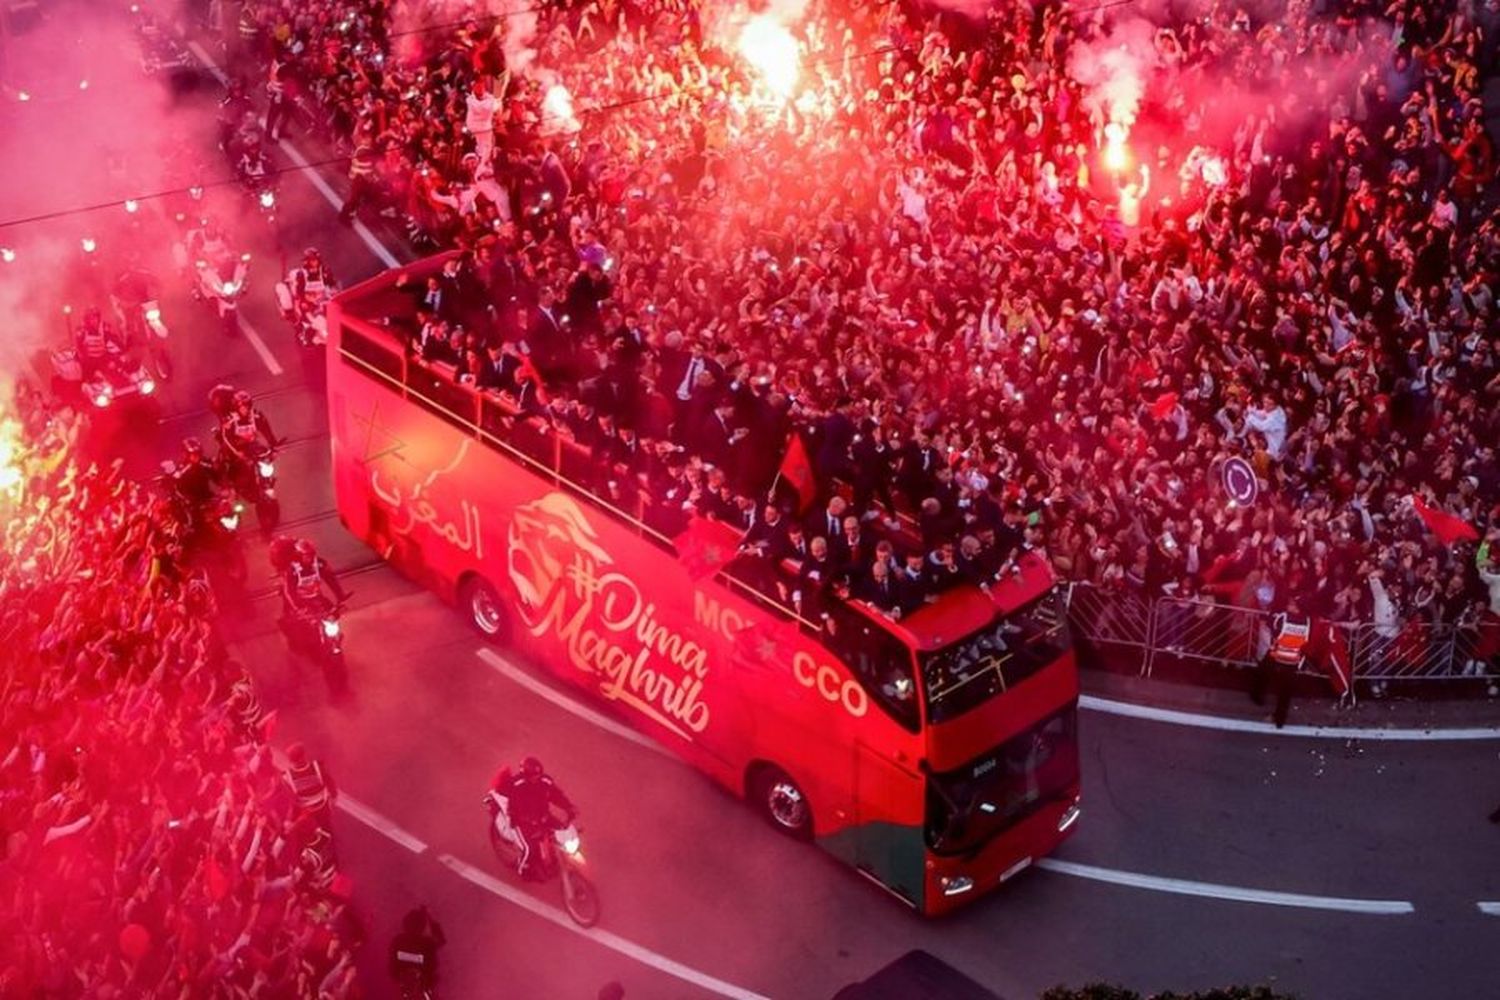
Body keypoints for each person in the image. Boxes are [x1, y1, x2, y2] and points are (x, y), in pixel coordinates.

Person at [492, 757, 576, 879]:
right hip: (522, 823)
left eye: (539, 775)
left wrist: (569, 807)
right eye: (534, 777)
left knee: (563, 832)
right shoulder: (517, 786)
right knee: (529, 849)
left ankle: (554, 858)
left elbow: (556, 795)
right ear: (525, 775)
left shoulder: (545, 781)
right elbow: (516, 807)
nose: (537, 779)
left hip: (543, 816)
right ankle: (523, 870)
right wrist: (530, 820)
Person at [1252, 598, 1310, 729]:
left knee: (1262, 673)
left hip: (1277, 655)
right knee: (1285, 692)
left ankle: (1258, 697)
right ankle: (1280, 720)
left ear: (1297, 608)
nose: (1288, 605)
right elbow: (1306, 639)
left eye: (1291, 604)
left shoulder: (1284, 617)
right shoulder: (1307, 621)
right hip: (1293, 659)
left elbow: (1273, 627)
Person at [276, 538, 348, 619]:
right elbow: (290, 591)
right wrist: (298, 607)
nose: (309, 558)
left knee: (333, 615)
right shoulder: (293, 570)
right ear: (299, 556)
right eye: (306, 555)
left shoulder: (320, 564)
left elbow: (331, 580)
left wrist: (340, 595)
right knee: (298, 623)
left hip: (316, 596)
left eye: (311, 554)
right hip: (300, 600)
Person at [390, 905, 446, 993]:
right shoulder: (400, 942)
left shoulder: (425, 944)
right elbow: (441, 940)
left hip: (421, 986)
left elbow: (441, 941)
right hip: (412, 986)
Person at [284, 742, 337, 829]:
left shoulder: (287, 777)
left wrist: (289, 819)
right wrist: (333, 798)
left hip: (306, 813)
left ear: (290, 760)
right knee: (327, 827)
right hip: (323, 807)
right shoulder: (318, 767)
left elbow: (292, 801)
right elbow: (330, 782)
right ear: (303, 756)